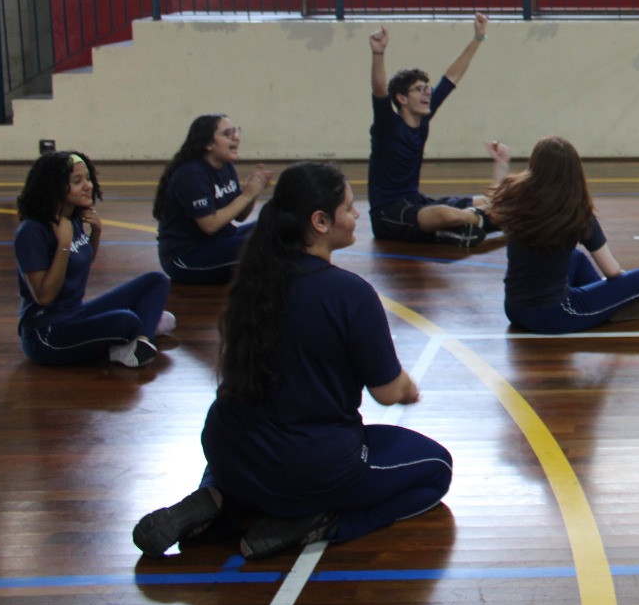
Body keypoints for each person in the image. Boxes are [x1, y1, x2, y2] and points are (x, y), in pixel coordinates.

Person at [132, 162, 452, 561]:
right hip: (310, 463)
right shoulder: (350, 294)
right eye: (349, 208)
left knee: (254, 447)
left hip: (227, 449)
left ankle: (218, 499)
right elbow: (387, 393)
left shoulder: (253, 278)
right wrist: (408, 388)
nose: (356, 215)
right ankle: (323, 522)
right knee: (437, 468)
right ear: (320, 221)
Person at [13, 151, 171, 369]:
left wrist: (95, 233)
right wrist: (63, 244)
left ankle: (141, 342)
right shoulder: (32, 231)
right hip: (46, 335)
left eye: (88, 178)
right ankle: (141, 330)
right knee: (127, 320)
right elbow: (45, 297)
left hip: (76, 313)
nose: (88, 185)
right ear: (53, 187)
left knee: (156, 280)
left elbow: (82, 261)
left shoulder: (72, 217)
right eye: (77, 181)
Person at [489, 137, 639, 333]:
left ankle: (604, 303)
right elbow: (612, 271)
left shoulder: (515, 194)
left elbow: (493, 208)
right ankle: (609, 306)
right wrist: (619, 288)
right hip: (554, 316)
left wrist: (501, 164)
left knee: (576, 257)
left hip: (514, 309)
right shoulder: (577, 211)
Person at [368, 14, 497, 247]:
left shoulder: (423, 120)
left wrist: (478, 38)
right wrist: (378, 54)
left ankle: (467, 225)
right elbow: (378, 90)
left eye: (427, 88)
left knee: (490, 202)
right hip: (388, 215)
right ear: (402, 98)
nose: (428, 92)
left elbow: (452, 76)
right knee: (446, 214)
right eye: (419, 89)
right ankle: (476, 220)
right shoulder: (387, 126)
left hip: (416, 202)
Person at [154, 114, 274, 285]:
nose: (236, 138)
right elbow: (210, 225)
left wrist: (252, 193)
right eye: (227, 134)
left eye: (236, 131)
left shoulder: (226, 166)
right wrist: (246, 195)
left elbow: (239, 217)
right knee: (264, 244)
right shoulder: (191, 175)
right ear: (209, 144)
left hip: (219, 241)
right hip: (186, 258)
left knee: (274, 225)